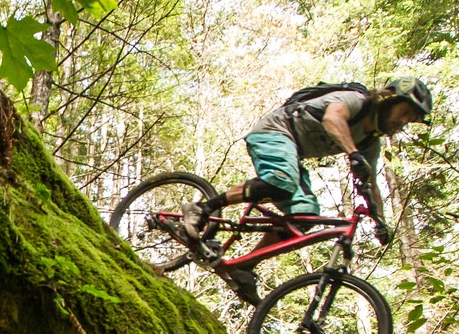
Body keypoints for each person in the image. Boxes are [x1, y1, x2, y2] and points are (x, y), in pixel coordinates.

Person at [175, 76, 434, 300]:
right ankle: (202, 208)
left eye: (410, 120)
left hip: (293, 151)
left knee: (304, 216)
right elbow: (333, 118)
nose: (404, 122)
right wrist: (353, 153)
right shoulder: (357, 100)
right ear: (389, 98)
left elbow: (371, 183)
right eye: (405, 113)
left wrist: (380, 220)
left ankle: (244, 266)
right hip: (274, 131)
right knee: (282, 179)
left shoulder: (370, 142)